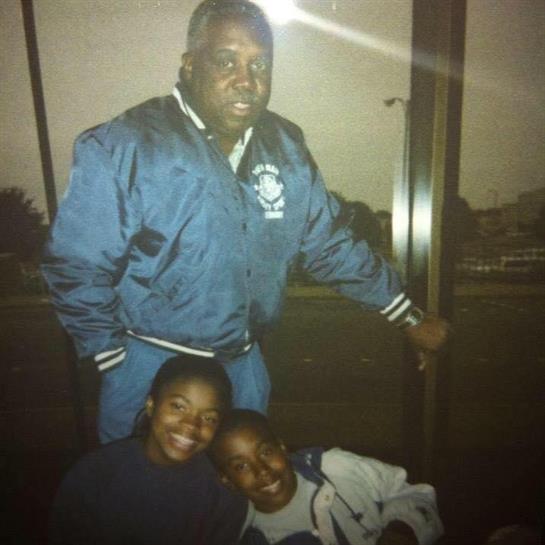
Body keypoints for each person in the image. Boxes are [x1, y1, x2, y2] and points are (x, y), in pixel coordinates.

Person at [41, 0, 449, 443]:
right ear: (190, 65)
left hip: (242, 368)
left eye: (260, 64)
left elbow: (328, 244)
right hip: (153, 367)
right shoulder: (127, 143)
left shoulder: (285, 144)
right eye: (226, 61)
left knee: (240, 485)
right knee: (143, 487)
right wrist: (113, 358)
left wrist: (409, 317)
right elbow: (76, 264)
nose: (246, 80)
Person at [49, 355, 248, 545]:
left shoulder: (223, 493)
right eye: (178, 406)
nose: (191, 424)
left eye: (209, 418)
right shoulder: (94, 474)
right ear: (151, 405)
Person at [209, 408, 444, 545]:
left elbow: (413, 492)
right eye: (241, 466)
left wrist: (403, 528)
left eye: (266, 452)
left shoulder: (335, 467)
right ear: (227, 480)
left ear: (282, 447)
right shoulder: (244, 535)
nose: (262, 470)